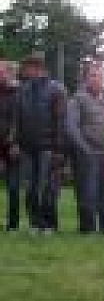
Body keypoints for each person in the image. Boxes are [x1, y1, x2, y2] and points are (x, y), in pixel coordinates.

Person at [14, 52, 68, 234]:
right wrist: (15, 142)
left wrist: (59, 150)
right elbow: (18, 120)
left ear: (38, 69)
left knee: (47, 188)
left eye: (27, 68)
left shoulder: (57, 90)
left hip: (48, 147)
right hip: (27, 148)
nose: (24, 72)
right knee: (30, 188)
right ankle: (34, 223)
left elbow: (60, 122)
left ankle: (49, 224)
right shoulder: (23, 90)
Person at [67, 62, 104, 233]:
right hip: (88, 153)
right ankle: (87, 229)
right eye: (93, 75)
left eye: (100, 75)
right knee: (88, 194)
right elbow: (71, 127)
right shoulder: (78, 99)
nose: (97, 79)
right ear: (87, 78)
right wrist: (85, 149)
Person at [0, 60, 22, 232]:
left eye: (2, 71)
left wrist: (15, 142)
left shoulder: (19, 93)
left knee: (13, 186)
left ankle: (12, 224)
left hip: (12, 145)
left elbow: (20, 120)